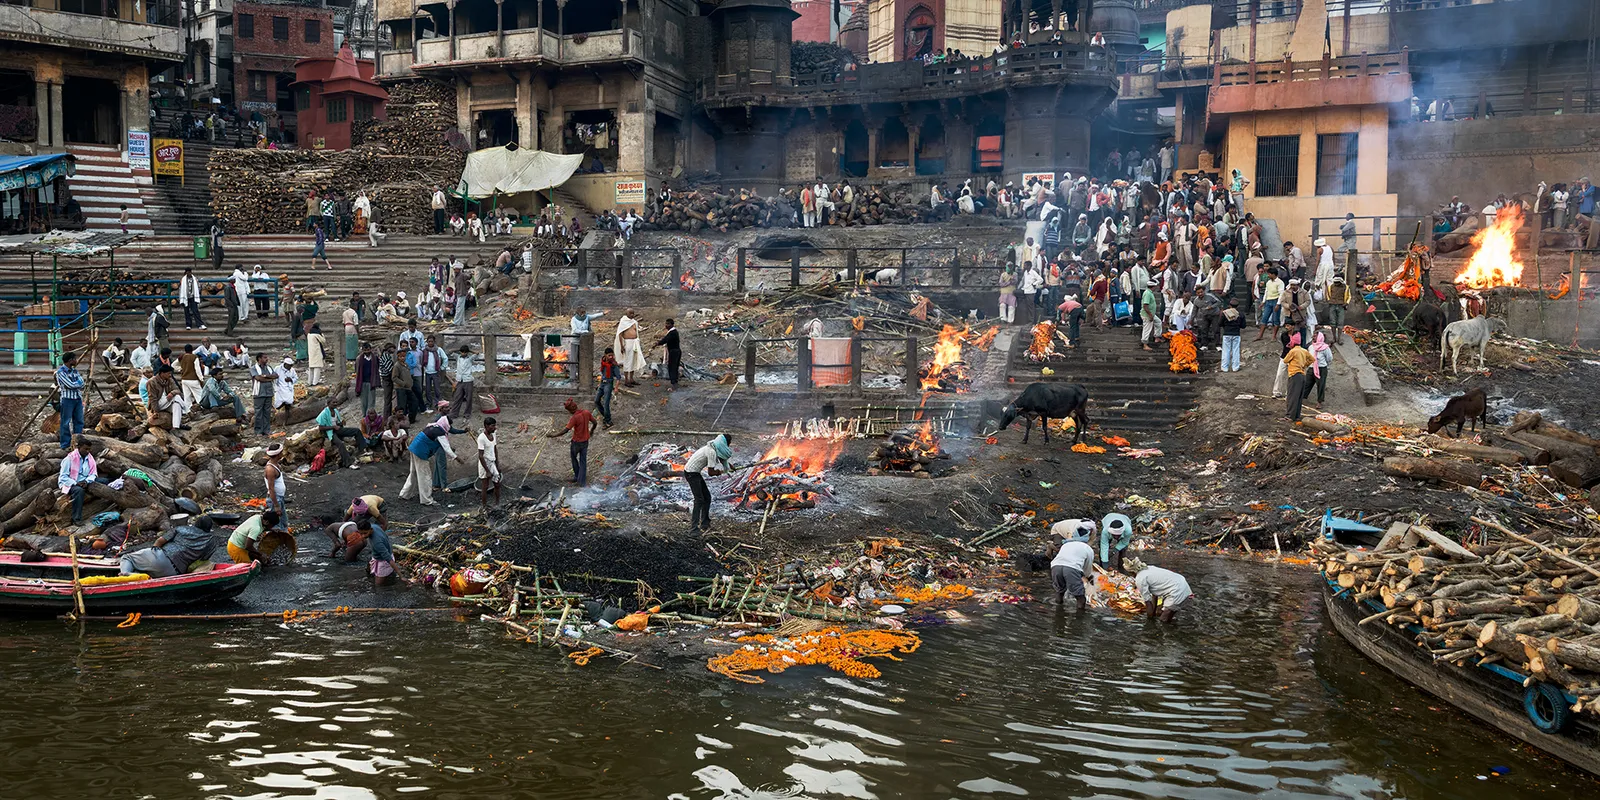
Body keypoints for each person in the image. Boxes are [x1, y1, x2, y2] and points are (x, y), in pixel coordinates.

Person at [119, 514, 215, 578]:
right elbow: (203, 560)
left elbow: (160, 540)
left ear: (196, 523)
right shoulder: (210, 540)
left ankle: (126, 573)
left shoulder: (181, 529)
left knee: (127, 557)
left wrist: (154, 551)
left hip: (161, 556)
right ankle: (140, 574)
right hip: (174, 571)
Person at [400, 421, 460, 506]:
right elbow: (446, 448)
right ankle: (426, 500)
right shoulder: (440, 433)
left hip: (414, 447)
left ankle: (405, 494)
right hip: (420, 452)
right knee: (425, 476)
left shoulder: (433, 427)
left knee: (413, 473)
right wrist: (457, 458)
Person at [684, 433, 732, 533]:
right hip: (691, 473)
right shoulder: (711, 452)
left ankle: (705, 524)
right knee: (699, 500)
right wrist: (719, 472)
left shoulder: (714, 446)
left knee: (707, 498)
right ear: (724, 444)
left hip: (695, 473)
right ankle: (693, 529)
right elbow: (710, 472)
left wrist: (729, 466)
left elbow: (723, 459)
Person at [548, 398, 597, 487]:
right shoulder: (586, 412)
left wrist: (553, 435)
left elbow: (565, 431)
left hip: (576, 443)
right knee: (583, 461)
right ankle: (581, 481)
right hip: (585, 441)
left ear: (571, 410)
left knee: (574, 458)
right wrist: (591, 431)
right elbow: (595, 422)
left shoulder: (575, 418)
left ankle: (577, 477)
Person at [317, 396, 368, 470]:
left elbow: (337, 422)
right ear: (328, 404)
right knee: (340, 444)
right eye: (333, 402)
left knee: (356, 431)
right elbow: (321, 427)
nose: (335, 404)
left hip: (337, 429)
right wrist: (333, 427)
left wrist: (341, 423)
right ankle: (348, 463)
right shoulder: (324, 413)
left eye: (336, 402)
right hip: (329, 432)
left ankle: (362, 450)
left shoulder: (336, 411)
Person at [58, 437, 101, 523]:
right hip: (70, 483)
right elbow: (63, 477)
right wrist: (76, 483)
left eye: (89, 449)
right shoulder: (69, 459)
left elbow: (93, 474)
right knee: (79, 491)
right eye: (85, 449)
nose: (88, 451)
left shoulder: (90, 458)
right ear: (79, 447)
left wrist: (86, 481)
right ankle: (76, 518)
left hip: (85, 482)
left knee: (103, 482)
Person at [1049, 528, 1095, 609]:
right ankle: (1079, 618)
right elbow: (1088, 567)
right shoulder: (1087, 548)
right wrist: (1089, 578)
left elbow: (1061, 557)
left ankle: (1058, 611)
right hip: (1072, 568)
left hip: (1055, 566)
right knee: (1080, 597)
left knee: (1059, 591)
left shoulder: (1066, 545)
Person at [55, 352, 86, 451]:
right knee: (66, 422)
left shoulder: (75, 371)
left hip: (77, 398)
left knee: (79, 421)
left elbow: (82, 383)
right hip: (67, 400)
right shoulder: (60, 372)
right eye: (74, 359)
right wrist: (77, 383)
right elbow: (71, 385)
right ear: (70, 360)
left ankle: (78, 442)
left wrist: (76, 384)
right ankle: (65, 444)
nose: (76, 361)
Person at [1283, 332, 1314, 421]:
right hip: (1302, 375)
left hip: (1294, 375)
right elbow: (1312, 359)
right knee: (1299, 396)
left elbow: (1285, 360)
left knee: (1292, 396)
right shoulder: (1304, 350)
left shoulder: (1293, 351)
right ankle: (1296, 416)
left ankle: (1289, 416)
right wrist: (1305, 365)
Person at [614, 310, 645, 386]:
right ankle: (626, 380)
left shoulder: (634, 322)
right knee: (627, 361)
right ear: (626, 314)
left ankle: (631, 379)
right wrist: (621, 346)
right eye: (630, 313)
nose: (632, 315)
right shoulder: (623, 322)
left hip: (635, 343)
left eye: (633, 313)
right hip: (627, 343)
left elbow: (636, 332)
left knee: (633, 361)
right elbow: (620, 334)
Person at [448, 344, 479, 419]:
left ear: (467, 353)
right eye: (462, 352)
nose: (463, 354)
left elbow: (477, 353)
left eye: (465, 352)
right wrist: (459, 349)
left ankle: (467, 413)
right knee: (457, 397)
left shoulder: (470, 358)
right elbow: (450, 351)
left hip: (468, 380)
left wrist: (469, 350)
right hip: (459, 380)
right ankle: (454, 413)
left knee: (469, 398)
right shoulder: (458, 357)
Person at [477, 416, 501, 506]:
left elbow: (495, 449)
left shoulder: (493, 434)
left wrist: (497, 465)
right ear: (486, 426)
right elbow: (480, 456)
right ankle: (484, 506)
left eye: (494, 425)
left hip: (492, 462)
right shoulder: (481, 438)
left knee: (497, 483)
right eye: (492, 426)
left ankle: (497, 504)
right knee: (485, 486)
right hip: (484, 464)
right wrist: (487, 471)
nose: (495, 428)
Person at [1255, 268, 1284, 341]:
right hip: (1268, 301)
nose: (1268, 275)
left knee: (1276, 319)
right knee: (1264, 318)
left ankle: (1274, 336)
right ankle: (1260, 335)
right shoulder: (1268, 282)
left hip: (1276, 300)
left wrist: (1278, 304)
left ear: (1273, 274)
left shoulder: (1280, 282)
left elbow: (1281, 294)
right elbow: (1266, 292)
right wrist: (1263, 301)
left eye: (1269, 274)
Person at [594, 346, 620, 427]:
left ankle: (608, 421)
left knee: (606, 403)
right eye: (609, 355)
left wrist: (616, 387)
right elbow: (603, 373)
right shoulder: (603, 362)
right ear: (605, 355)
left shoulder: (614, 365)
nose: (611, 357)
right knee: (596, 401)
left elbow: (618, 377)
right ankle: (606, 415)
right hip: (602, 383)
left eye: (612, 355)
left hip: (608, 384)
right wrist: (599, 383)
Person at [1218, 298, 1245, 373]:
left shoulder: (1225, 313)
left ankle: (1224, 368)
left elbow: (1220, 323)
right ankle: (1235, 367)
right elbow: (1243, 326)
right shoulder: (1240, 314)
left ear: (1229, 305)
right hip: (1236, 334)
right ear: (1238, 306)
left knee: (1226, 351)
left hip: (1226, 334)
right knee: (1236, 351)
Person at [655, 318, 681, 390]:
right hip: (676, 351)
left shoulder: (672, 332)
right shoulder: (673, 332)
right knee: (674, 367)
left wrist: (658, 343)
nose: (666, 325)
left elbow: (665, 340)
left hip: (674, 352)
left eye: (668, 324)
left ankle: (673, 384)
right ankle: (675, 382)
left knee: (672, 367)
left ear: (672, 325)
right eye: (666, 323)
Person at [273, 356, 298, 426]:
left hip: (288, 389)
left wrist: (291, 379)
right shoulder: (277, 368)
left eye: (291, 366)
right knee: (278, 405)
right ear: (285, 364)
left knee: (288, 404)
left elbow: (296, 378)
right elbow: (273, 377)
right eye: (289, 366)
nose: (290, 367)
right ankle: (277, 417)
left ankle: (286, 421)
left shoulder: (292, 370)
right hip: (280, 389)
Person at [1139, 278, 1160, 351]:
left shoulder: (1149, 292)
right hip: (1147, 314)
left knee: (1158, 322)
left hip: (1151, 313)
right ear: (1153, 286)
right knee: (1147, 329)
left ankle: (1157, 337)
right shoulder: (1147, 293)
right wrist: (1150, 315)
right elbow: (1145, 305)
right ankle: (1145, 344)